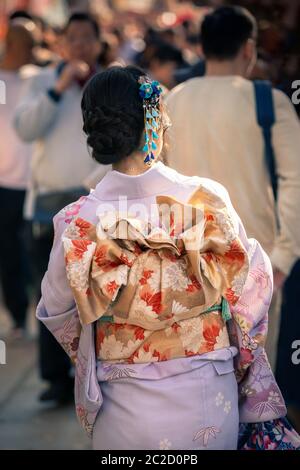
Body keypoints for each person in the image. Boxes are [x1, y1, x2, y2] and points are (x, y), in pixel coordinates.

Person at [36, 65, 300, 450]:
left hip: (122, 403)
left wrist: (114, 337)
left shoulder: (77, 221)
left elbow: (57, 311)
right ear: (154, 123)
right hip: (209, 397)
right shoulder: (206, 199)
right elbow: (248, 292)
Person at [165, 6, 300, 370]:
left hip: (187, 260)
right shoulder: (269, 102)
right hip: (258, 259)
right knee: (256, 379)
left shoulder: (172, 100)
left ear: (203, 47)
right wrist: (284, 257)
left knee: (199, 374)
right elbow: (295, 182)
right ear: (248, 48)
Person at [14, 12, 105, 404]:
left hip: (96, 198)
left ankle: (98, 373)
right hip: (49, 200)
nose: (81, 44)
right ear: (62, 43)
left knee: (99, 292)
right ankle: (55, 378)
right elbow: (25, 128)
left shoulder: (108, 83)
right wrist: (58, 88)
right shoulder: (42, 80)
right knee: (51, 293)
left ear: (99, 43)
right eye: (74, 37)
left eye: (88, 37)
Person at [0, 20, 36, 340]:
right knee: (10, 253)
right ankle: (17, 316)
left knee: (37, 254)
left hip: (36, 183)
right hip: (5, 183)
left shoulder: (38, 79)